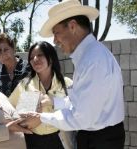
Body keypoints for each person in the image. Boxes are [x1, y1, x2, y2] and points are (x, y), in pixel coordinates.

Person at [20, 1, 125, 149]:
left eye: (56, 33)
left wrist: (41, 118)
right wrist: (54, 102)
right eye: (32, 57)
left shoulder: (92, 60)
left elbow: (82, 117)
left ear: (72, 26)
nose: (55, 41)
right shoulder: (91, 56)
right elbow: (81, 102)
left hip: (98, 139)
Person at [9, 41, 73, 149]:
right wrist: (23, 121)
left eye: (40, 55)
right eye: (31, 57)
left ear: (51, 58)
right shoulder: (25, 85)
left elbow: (77, 109)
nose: (35, 59)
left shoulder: (66, 83)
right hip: (32, 141)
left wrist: (54, 102)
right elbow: (9, 108)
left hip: (60, 139)